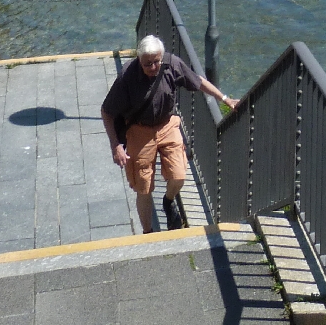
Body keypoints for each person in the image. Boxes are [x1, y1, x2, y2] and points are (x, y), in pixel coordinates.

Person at [101, 35, 237, 233]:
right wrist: (116, 146)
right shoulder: (127, 76)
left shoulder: (172, 64)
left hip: (167, 125)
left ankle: (168, 200)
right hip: (140, 131)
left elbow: (197, 82)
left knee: (179, 175)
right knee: (143, 187)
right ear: (139, 60)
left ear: (162, 57)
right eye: (147, 64)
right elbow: (107, 111)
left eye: (157, 62)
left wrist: (225, 99)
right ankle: (148, 233)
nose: (153, 67)